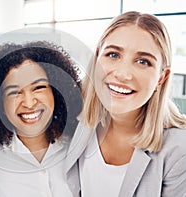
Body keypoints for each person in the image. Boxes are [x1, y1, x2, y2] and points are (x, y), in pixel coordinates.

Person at [65, 11, 186, 197]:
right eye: (113, 54)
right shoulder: (74, 121)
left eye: (143, 61)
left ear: (162, 78)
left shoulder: (179, 149)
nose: (123, 74)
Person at [0, 40, 83, 197]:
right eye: (14, 92)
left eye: (38, 88)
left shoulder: (78, 145)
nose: (29, 103)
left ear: (56, 91)